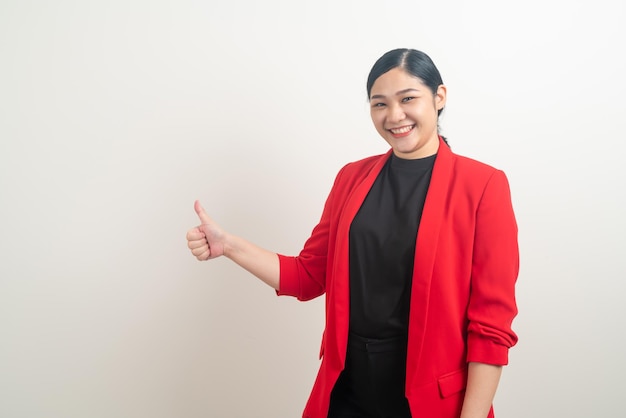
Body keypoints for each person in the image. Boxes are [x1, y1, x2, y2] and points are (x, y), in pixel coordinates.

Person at [186, 48, 519, 418]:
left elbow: (491, 328)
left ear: (439, 97)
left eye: (408, 98)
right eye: (380, 104)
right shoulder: (351, 178)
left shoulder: (483, 185)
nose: (394, 116)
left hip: (431, 401)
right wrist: (229, 246)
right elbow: (308, 276)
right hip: (348, 390)